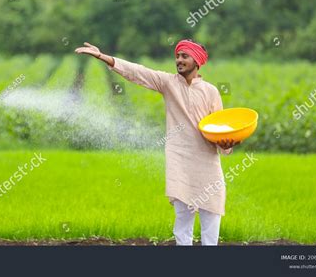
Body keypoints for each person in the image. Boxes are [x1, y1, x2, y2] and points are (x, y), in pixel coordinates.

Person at [74, 40, 239, 246]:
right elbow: (138, 72)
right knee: (183, 219)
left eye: (184, 56)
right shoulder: (168, 83)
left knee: (211, 215)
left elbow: (219, 128)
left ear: (197, 61)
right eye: (177, 56)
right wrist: (103, 56)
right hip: (179, 159)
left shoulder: (211, 92)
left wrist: (226, 145)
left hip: (207, 161)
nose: (179, 60)